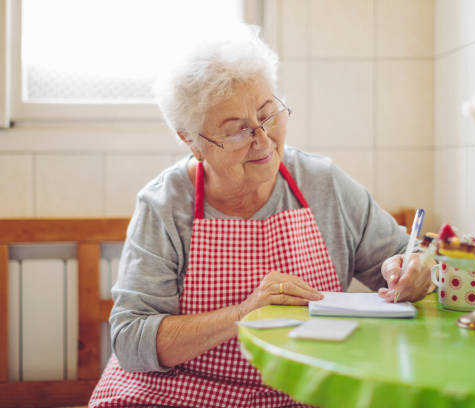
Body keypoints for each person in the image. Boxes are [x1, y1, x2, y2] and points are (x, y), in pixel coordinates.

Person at [89, 26, 433, 408]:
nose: (263, 139)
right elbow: (130, 338)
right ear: (191, 140)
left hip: (302, 388)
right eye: (237, 131)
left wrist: (414, 270)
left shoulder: (322, 183)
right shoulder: (164, 205)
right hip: (182, 389)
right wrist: (243, 313)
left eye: (268, 114)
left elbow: (404, 258)